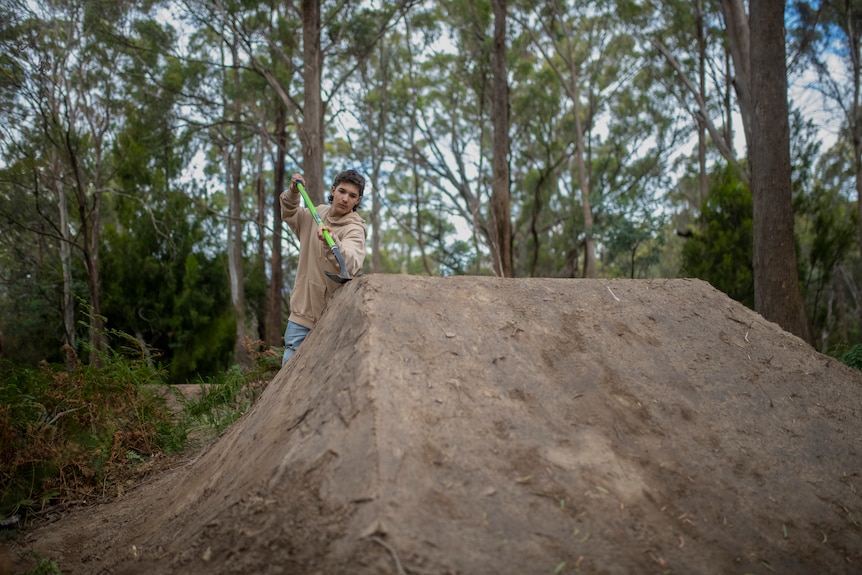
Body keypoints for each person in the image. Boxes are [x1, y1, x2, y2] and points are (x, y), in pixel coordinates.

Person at [280, 169, 367, 365]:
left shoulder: (355, 229)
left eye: (352, 196)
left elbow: (351, 263)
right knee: (289, 374)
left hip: (332, 320)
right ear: (333, 190)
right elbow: (290, 213)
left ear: (358, 201)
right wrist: (293, 193)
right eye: (342, 191)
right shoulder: (315, 213)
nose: (345, 199)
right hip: (301, 315)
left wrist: (332, 241)